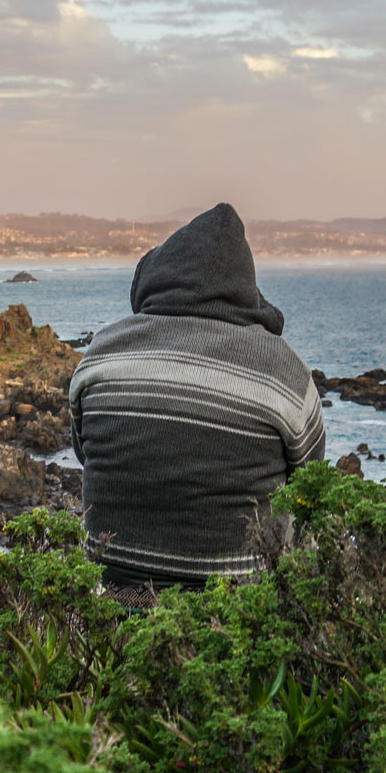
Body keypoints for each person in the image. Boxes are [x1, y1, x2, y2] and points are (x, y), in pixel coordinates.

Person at [68, 203, 325, 598]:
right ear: (246, 291)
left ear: (154, 277)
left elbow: (85, 452)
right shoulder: (285, 370)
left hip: (115, 590)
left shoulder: (100, 354)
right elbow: (310, 478)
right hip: (235, 607)